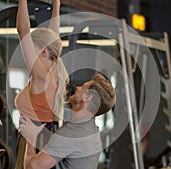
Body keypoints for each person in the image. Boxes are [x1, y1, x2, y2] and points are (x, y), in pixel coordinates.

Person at [19, 73, 116, 169]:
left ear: (86, 97)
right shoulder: (91, 130)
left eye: (83, 87)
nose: (77, 88)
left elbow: (33, 167)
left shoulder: (72, 134)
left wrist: (31, 138)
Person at [14, 0, 69, 168]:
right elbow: (53, 38)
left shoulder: (41, 76)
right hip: (42, 134)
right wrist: (56, 5)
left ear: (44, 52)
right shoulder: (52, 73)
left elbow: (23, 30)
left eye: (33, 47)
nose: (29, 52)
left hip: (35, 136)